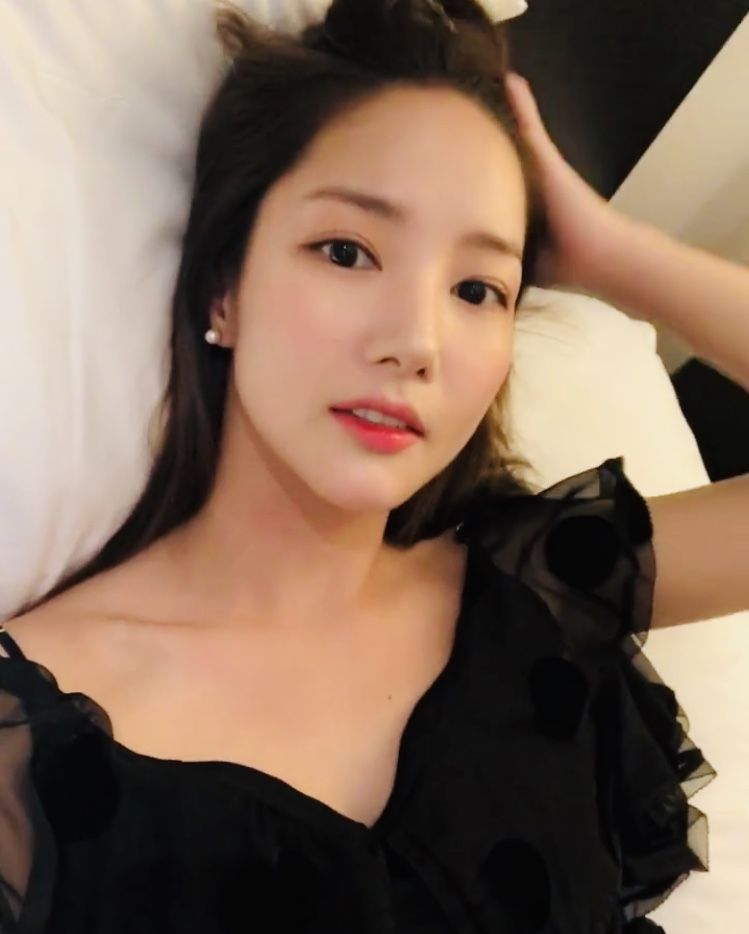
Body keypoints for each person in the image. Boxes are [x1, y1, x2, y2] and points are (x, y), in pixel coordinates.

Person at [2, 0, 748, 930]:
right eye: (347, 251)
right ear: (224, 290)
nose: (416, 340)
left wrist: (615, 254)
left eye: (476, 289)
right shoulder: (32, 747)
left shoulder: (534, 594)